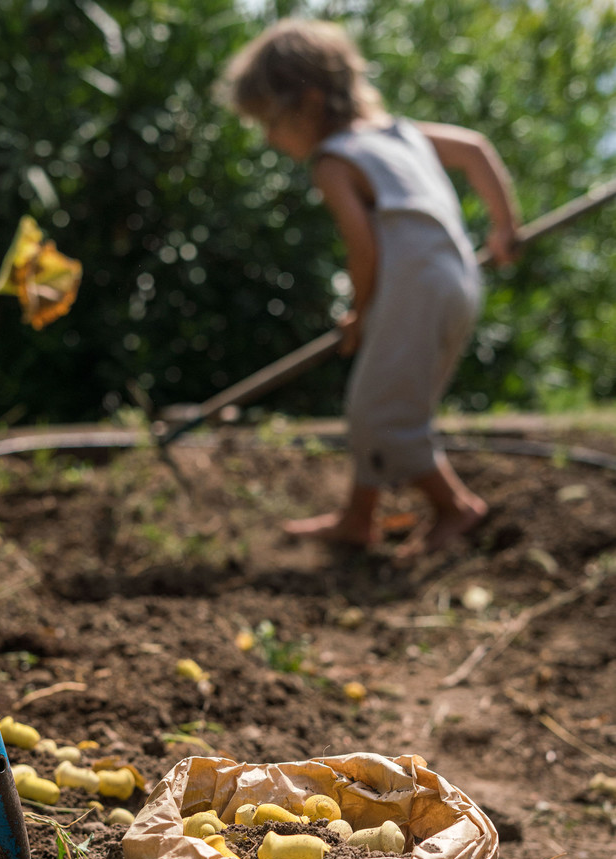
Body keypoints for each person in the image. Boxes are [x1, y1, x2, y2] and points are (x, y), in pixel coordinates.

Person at [222, 18, 520, 555]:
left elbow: (365, 250)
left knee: (378, 411)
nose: (269, 137)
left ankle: (457, 507)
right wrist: (504, 227)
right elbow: (475, 149)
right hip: (456, 282)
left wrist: (360, 313)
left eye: (270, 120)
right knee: (389, 402)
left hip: (411, 289)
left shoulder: (334, 161)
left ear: (308, 101)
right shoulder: (400, 133)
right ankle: (357, 518)